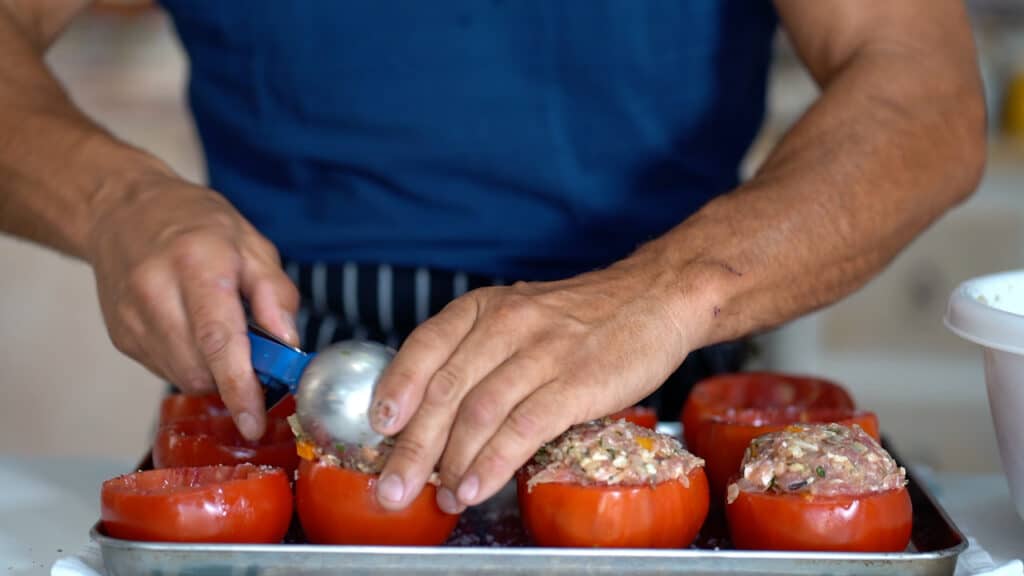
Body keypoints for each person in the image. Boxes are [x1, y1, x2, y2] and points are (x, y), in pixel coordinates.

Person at [0, 0, 985, 516]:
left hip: (669, 414)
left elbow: (924, 97)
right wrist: (113, 197)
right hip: (286, 417)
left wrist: (666, 292)